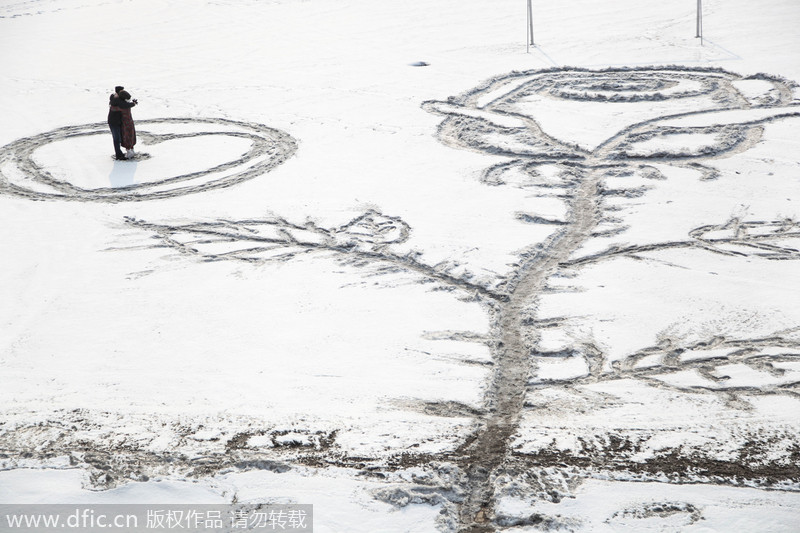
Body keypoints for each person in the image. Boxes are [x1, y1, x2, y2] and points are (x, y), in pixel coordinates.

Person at [107, 86, 137, 160]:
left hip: (121, 122)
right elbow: (124, 105)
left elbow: (124, 104)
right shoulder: (118, 102)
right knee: (118, 139)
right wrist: (133, 103)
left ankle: (127, 151)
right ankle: (119, 154)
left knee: (123, 137)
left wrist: (132, 103)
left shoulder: (117, 100)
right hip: (115, 122)